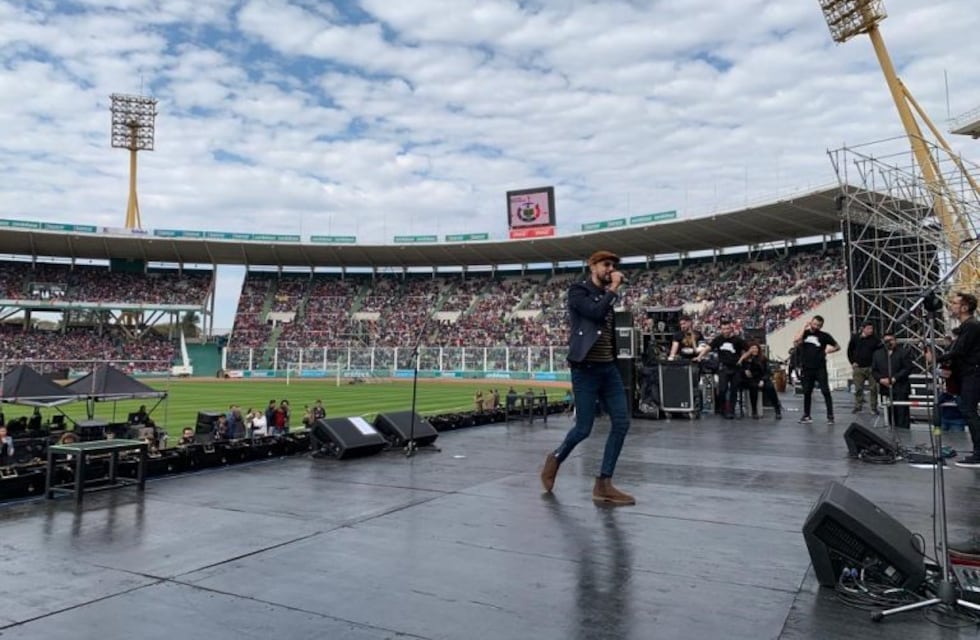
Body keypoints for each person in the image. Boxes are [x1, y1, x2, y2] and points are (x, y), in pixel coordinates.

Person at [540, 249, 634, 506]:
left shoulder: (607, 296)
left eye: (613, 265)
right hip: (586, 370)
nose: (610, 269)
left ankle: (604, 483)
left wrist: (610, 292)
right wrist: (614, 289)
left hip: (608, 369)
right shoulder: (577, 291)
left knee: (622, 423)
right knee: (583, 429)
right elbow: (593, 313)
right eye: (606, 264)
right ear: (592, 266)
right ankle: (556, 458)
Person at [942, 293, 980, 467]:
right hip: (968, 374)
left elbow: (960, 351)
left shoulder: (971, 326)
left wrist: (938, 358)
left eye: (955, 303)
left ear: (965, 307)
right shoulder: (967, 327)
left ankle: (978, 453)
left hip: (973, 374)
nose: (952, 306)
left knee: (969, 411)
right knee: (968, 410)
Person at [793, 315, 840, 424]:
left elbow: (837, 346)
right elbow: (796, 341)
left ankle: (830, 416)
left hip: (820, 367)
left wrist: (827, 351)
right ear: (811, 323)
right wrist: (804, 327)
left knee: (825, 391)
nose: (816, 326)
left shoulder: (824, 336)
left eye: (818, 325)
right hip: (807, 367)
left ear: (821, 325)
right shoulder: (804, 333)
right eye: (814, 324)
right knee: (807, 392)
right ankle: (806, 415)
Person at [706, 319, 746, 419]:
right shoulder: (718, 339)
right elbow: (708, 348)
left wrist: (741, 359)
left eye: (727, 329)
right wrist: (699, 356)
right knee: (722, 389)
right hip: (723, 367)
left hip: (735, 368)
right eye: (724, 329)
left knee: (734, 390)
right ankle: (723, 409)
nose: (726, 331)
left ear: (731, 329)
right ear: (721, 330)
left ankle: (731, 411)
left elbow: (748, 349)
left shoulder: (737, 340)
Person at [871, 332, 913, 429]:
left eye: (891, 340)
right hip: (885, 388)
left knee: (902, 414)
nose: (889, 342)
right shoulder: (877, 354)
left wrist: (895, 378)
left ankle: (904, 434)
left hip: (900, 387)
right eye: (887, 341)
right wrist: (881, 379)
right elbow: (874, 370)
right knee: (889, 413)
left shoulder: (903, 352)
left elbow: (908, 368)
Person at [738, 342, 782, 419]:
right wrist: (745, 370)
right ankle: (754, 410)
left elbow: (768, 371)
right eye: (752, 348)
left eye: (756, 348)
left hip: (762, 378)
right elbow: (741, 369)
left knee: (770, 387)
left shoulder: (763, 359)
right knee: (753, 387)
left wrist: (763, 380)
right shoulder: (745, 359)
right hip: (750, 379)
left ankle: (777, 409)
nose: (754, 350)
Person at [847, 322, 881, 415]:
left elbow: (880, 351)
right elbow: (850, 350)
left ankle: (873, 407)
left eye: (871, 328)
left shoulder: (875, 339)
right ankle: (858, 406)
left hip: (871, 367)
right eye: (868, 328)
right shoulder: (856, 338)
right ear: (863, 329)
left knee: (874, 388)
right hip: (858, 367)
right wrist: (852, 361)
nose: (870, 330)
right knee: (858, 388)